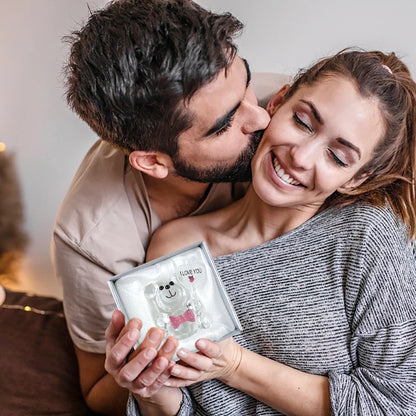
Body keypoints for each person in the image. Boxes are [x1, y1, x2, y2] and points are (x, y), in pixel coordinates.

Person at [105, 49, 416, 415]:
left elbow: (398, 403)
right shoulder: (176, 246)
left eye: (338, 156)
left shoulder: (367, 235)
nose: (301, 156)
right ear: (279, 102)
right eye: (303, 122)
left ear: (357, 178)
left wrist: (235, 364)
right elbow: (181, 405)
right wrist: (149, 388)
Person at [51, 0, 271, 414]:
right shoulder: (91, 241)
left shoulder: (280, 106)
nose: (260, 118)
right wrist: (137, 378)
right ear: (153, 162)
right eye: (225, 124)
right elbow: (98, 390)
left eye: (247, 83)